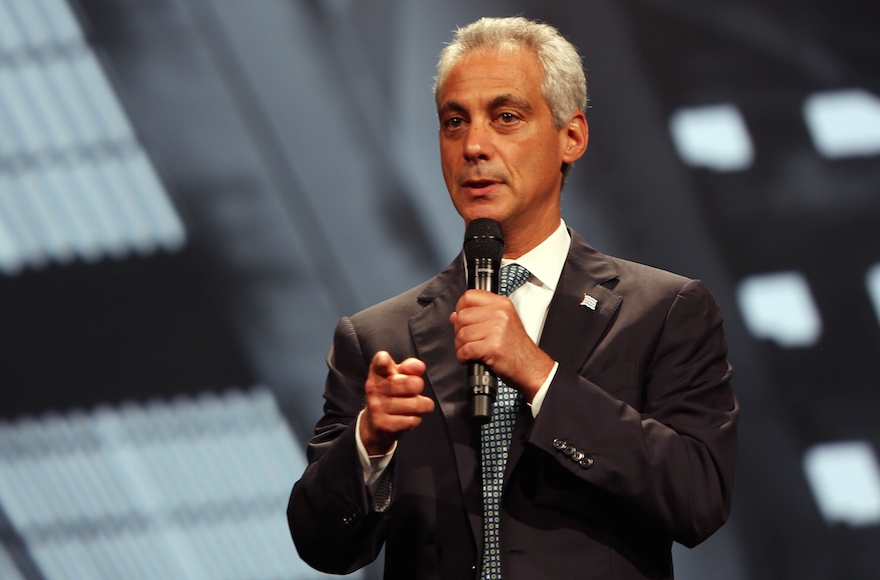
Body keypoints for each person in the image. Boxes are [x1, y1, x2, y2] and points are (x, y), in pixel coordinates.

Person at [288, 16, 738, 580]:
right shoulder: (377, 338)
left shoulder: (664, 311)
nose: (474, 146)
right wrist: (369, 443)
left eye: (506, 117)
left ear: (571, 136)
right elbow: (320, 544)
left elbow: (699, 499)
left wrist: (540, 375)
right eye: (454, 122)